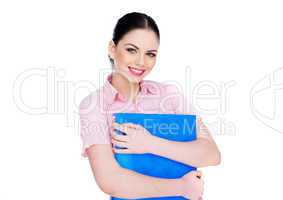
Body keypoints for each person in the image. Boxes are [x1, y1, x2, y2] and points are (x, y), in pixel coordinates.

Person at [79, 12, 221, 200]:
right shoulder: (93, 106)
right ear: (112, 49)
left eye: (150, 54)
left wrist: (150, 143)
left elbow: (211, 154)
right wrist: (181, 187)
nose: (141, 62)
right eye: (131, 50)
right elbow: (110, 180)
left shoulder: (170, 95)